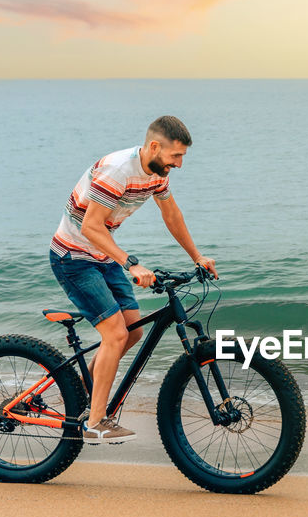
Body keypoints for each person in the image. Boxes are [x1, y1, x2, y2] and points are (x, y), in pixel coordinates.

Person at [49, 115, 217, 444]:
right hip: (73, 257)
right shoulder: (117, 172)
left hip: (102, 255)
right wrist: (131, 264)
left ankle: (82, 398)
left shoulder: (155, 173)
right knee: (114, 333)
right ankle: (96, 421)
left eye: (182, 157)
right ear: (154, 146)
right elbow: (90, 227)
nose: (179, 164)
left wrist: (197, 256)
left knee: (132, 330)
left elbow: (171, 214)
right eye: (175, 156)